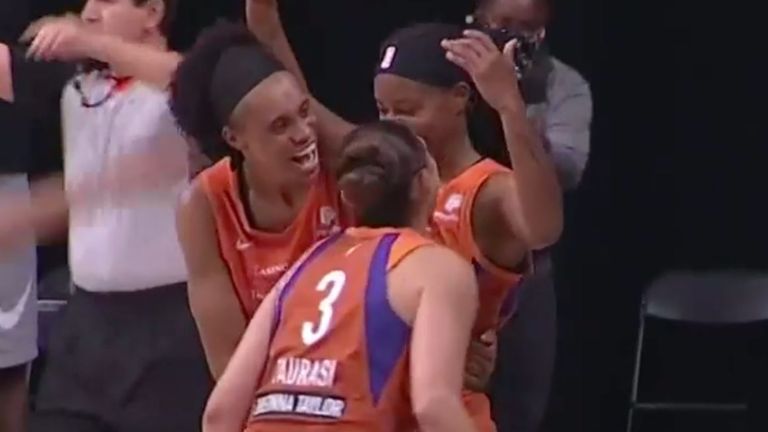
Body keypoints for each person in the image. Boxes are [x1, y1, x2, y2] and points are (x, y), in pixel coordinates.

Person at [247, 4, 563, 431]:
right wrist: (263, 17)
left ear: (459, 99)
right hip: (370, 405)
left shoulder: (486, 191)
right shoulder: (379, 162)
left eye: (408, 110)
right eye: (383, 110)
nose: (393, 124)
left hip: (448, 404)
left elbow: (544, 228)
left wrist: (509, 106)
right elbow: (304, 102)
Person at [0, 0, 214, 430]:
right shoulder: (80, 93)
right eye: (87, 4)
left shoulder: (176, 91)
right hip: (87, 323)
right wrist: (21, 218)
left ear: (152, 11)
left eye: (106, 1)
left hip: (166, 325)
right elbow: (88, 190)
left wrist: (92, 40)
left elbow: (196, 81)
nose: (90, 11)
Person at [203, 120, 479, 432]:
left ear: (348, 197)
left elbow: (219, 415)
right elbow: (433, 404)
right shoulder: (436, 266)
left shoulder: (304, 264)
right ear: (423, 182)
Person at [169, 21, 350, 380]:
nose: (303, 134)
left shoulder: (347, 176)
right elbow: (228, 364)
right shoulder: (202, 206)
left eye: (303, 112)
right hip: (272, 398)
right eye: (280, 126)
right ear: (235, 138)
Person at [467, 1, 592, 430]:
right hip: (447, 258)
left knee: (520, 408)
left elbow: (570, 169)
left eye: (528, 29)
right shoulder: (442, 67)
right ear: (477, 17)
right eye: (502, 25)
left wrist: (514, 108)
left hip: (526, 269)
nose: (513, 37)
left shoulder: (562, 85)